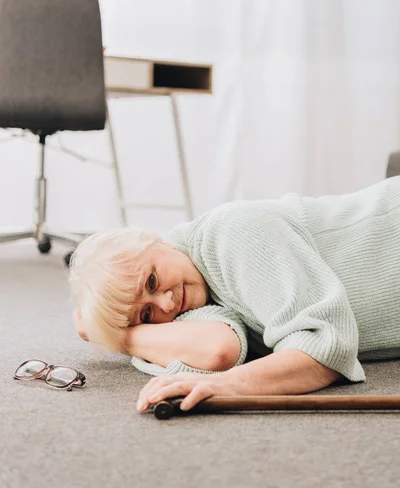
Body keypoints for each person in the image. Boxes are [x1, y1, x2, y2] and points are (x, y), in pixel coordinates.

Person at [69, 176, 400, 413]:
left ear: (157, 241)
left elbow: (324, 347)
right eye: (145, 315)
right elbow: (217, 351)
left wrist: (227, 386)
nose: (166, 304)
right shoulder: (190, 296)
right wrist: (121, 336)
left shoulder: (232, 235)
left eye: (152, 281)